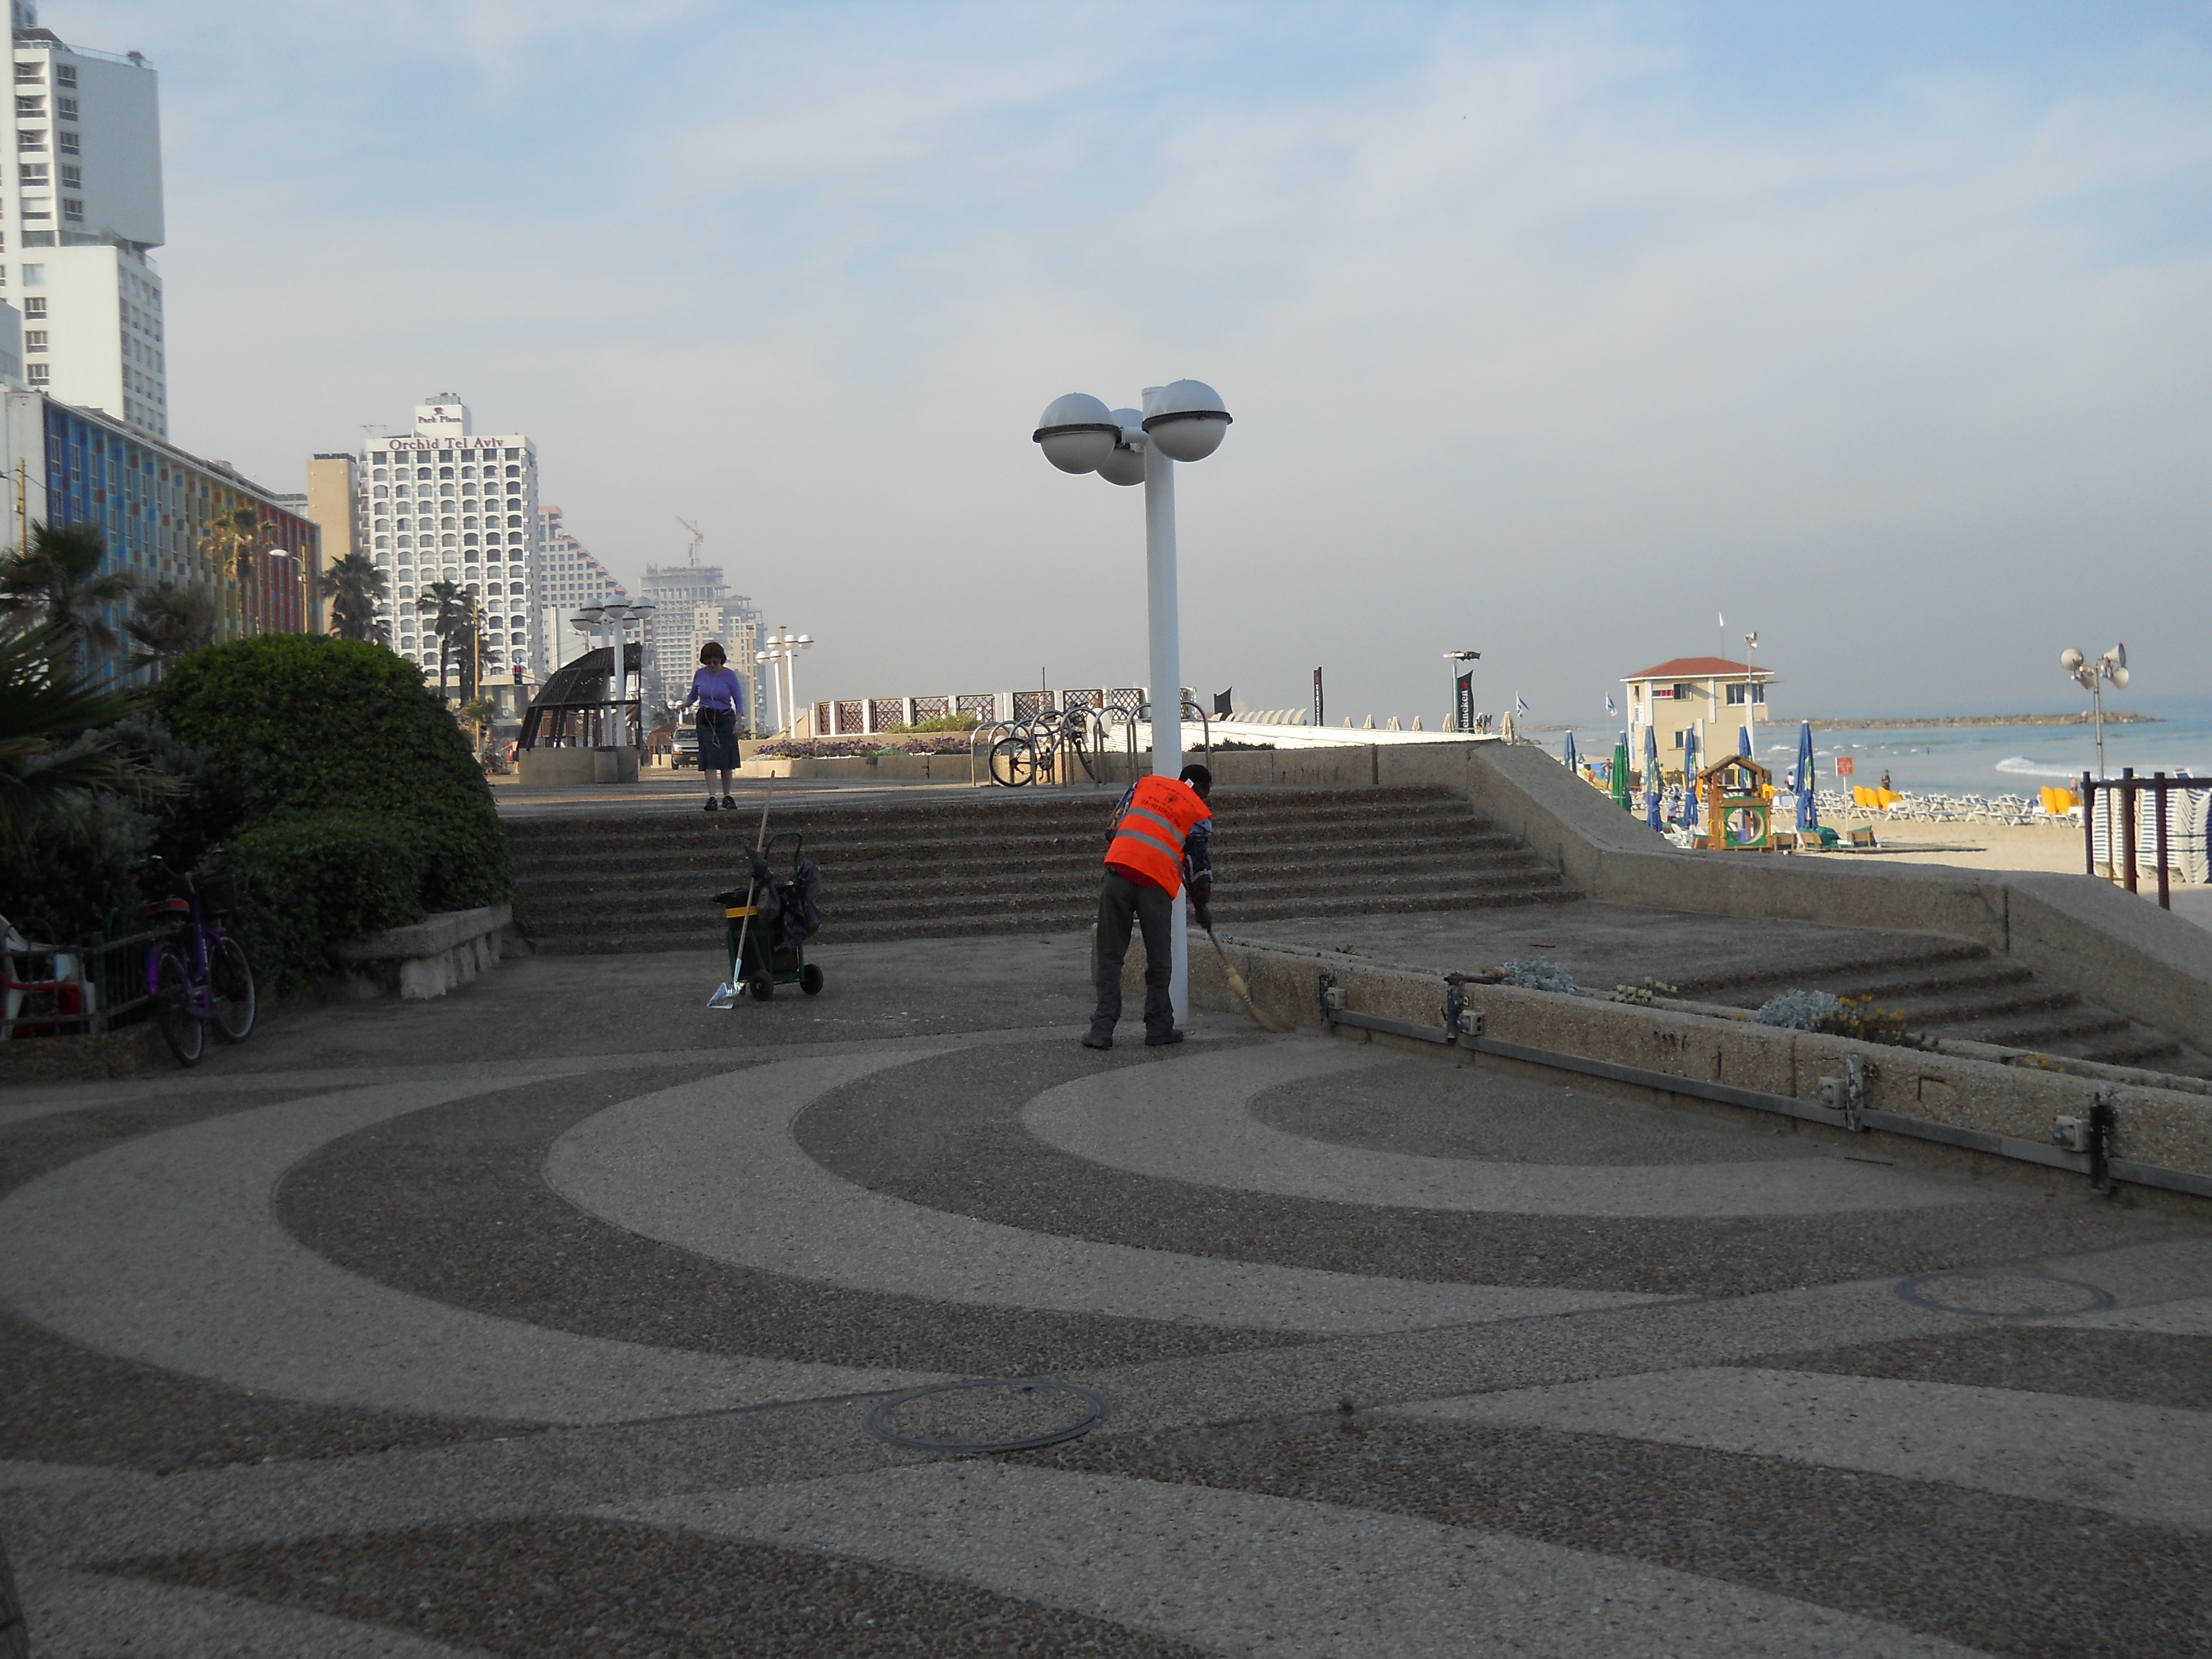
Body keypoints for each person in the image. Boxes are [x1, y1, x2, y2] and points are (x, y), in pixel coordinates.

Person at [1086, 763, 1212, 1051]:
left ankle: (1102, 1030)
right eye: (1207, 793)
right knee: (1158, 959)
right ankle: (1159, 1027)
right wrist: (1201, 907)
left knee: (1110, 955)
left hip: (1118, 873)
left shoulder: (1143, 787)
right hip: (1154, 884)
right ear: (1203, 788)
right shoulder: (1197, 811)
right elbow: (1198, 868)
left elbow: (1112, 829)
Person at [681, 641, 745, 811]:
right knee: (709, 758)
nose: (712, 666)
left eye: (715, 662)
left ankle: (727, 796)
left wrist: (739, 723)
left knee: (726, 760)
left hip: (725, 718)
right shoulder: (700, 675)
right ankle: (712, 797)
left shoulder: (730, 676)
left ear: (721, 660)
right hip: (706, 719)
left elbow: (739, 700)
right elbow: (694, 695)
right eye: (708, 662)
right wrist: (686, 704)